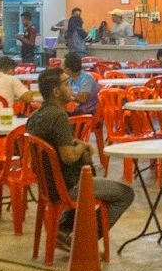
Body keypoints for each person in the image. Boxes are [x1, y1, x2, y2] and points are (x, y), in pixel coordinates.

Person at [27, 68, 134, 247]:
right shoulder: (59, 116)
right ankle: (82, 243)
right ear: (56, 92)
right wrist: (83, 146)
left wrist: (76, 143)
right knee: (125, 193)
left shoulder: (35, 116)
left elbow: (55, 143)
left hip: (48, 186)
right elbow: (68, 156)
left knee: (92, 176)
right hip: (69, 187)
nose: (71, 88)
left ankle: (63, 229)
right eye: (67, 84)